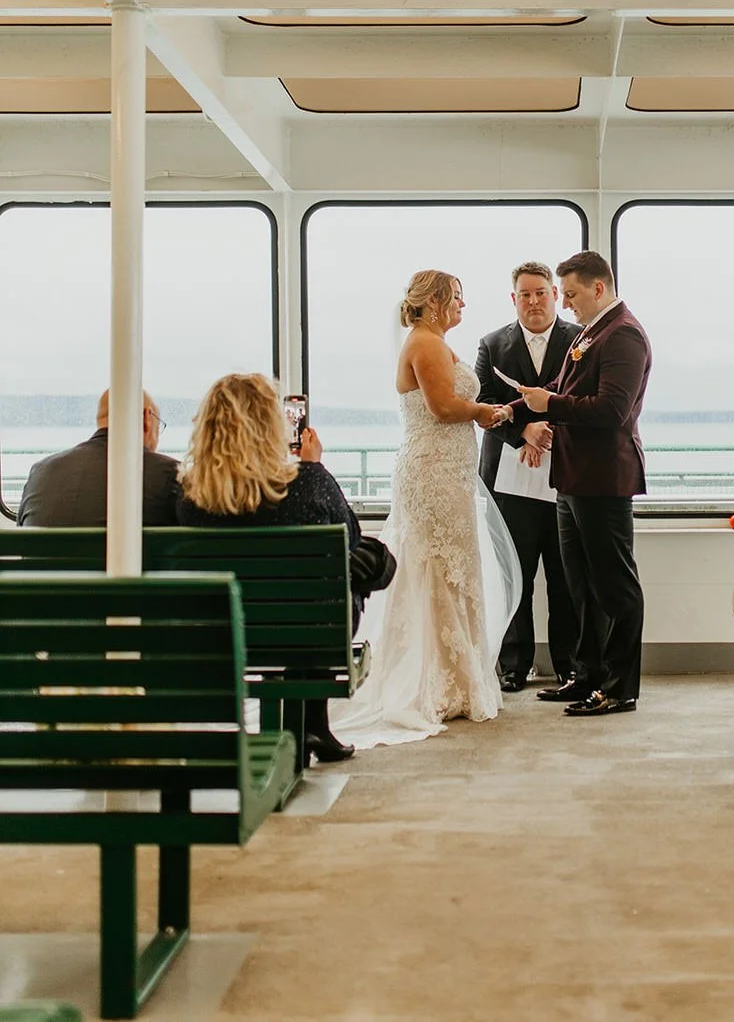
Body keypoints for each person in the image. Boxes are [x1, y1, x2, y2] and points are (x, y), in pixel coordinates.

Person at [334, 270, 520, 748]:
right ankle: (438, 683)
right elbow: (441, 407)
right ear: (436, 301)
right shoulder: (426, 344)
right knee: (441, 569)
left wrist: (483, 413)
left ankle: (454, 678)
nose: (464, 304)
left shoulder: (434, 340)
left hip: (448, 470)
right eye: (457, 297)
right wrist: (485, 412)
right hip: (434, 473)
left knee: (451, 568)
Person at [176, 372, 364, 764]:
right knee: (349, 572)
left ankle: (308, 728)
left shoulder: (189, 496)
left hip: (219, 631)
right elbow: (351, 535)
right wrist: (314, 468)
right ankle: (314, 724)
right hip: (310, 631)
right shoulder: (307, 482)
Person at [517, 251, 651, 718]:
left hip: (604, 480)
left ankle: (620, 686)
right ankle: (587, 674)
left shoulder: (625, 335)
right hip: (572, 479)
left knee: (614, 585)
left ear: (598, 288)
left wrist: (549, 403)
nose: (566, 303)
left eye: (571, 294)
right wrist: (516, 411)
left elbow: (610, 410)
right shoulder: (594, 332)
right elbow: (564, 386)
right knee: (581, 585)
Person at [474, 260, 578, 692]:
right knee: (512, 571)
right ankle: (514, 666)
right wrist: (524, 432)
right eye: (525, 294)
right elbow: (481, 401)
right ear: (513, 299)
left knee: (565, 575)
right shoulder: (492, 343)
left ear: (555, 294)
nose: (533, 301)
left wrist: (548, 429)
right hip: (507, 480)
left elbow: (583, 397)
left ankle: (569, 664)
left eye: (541, 292)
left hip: (566, 473)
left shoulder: (580, 340)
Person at [17, 388, 179, 529]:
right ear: (147, 417)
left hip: (42, 566)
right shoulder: (172, 474)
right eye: (159, 427)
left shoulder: (40, 471)